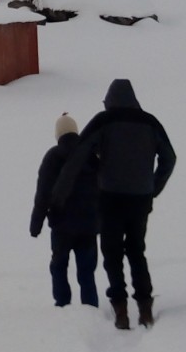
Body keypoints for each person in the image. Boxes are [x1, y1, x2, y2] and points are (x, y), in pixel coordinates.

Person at [51, 78, 175, 330]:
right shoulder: (150, 122)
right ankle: (144, 307)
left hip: (110, 198)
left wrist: (60, 194)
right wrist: (153, 188)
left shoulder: (104, 121)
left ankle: (120, 309)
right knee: (136, 250)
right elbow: (169, 157)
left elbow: (78, 156)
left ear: (109, 100)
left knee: (112, 252)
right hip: (140, 199)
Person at [29, 113, 99, 308]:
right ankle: (90, 307)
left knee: (59, 265)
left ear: (58, 134)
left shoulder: (53, 156)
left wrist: (36, 224)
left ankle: (63, 305)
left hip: (62, 224)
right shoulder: (91, 154)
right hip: (89, 224)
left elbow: (42, 193)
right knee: (86, 270)